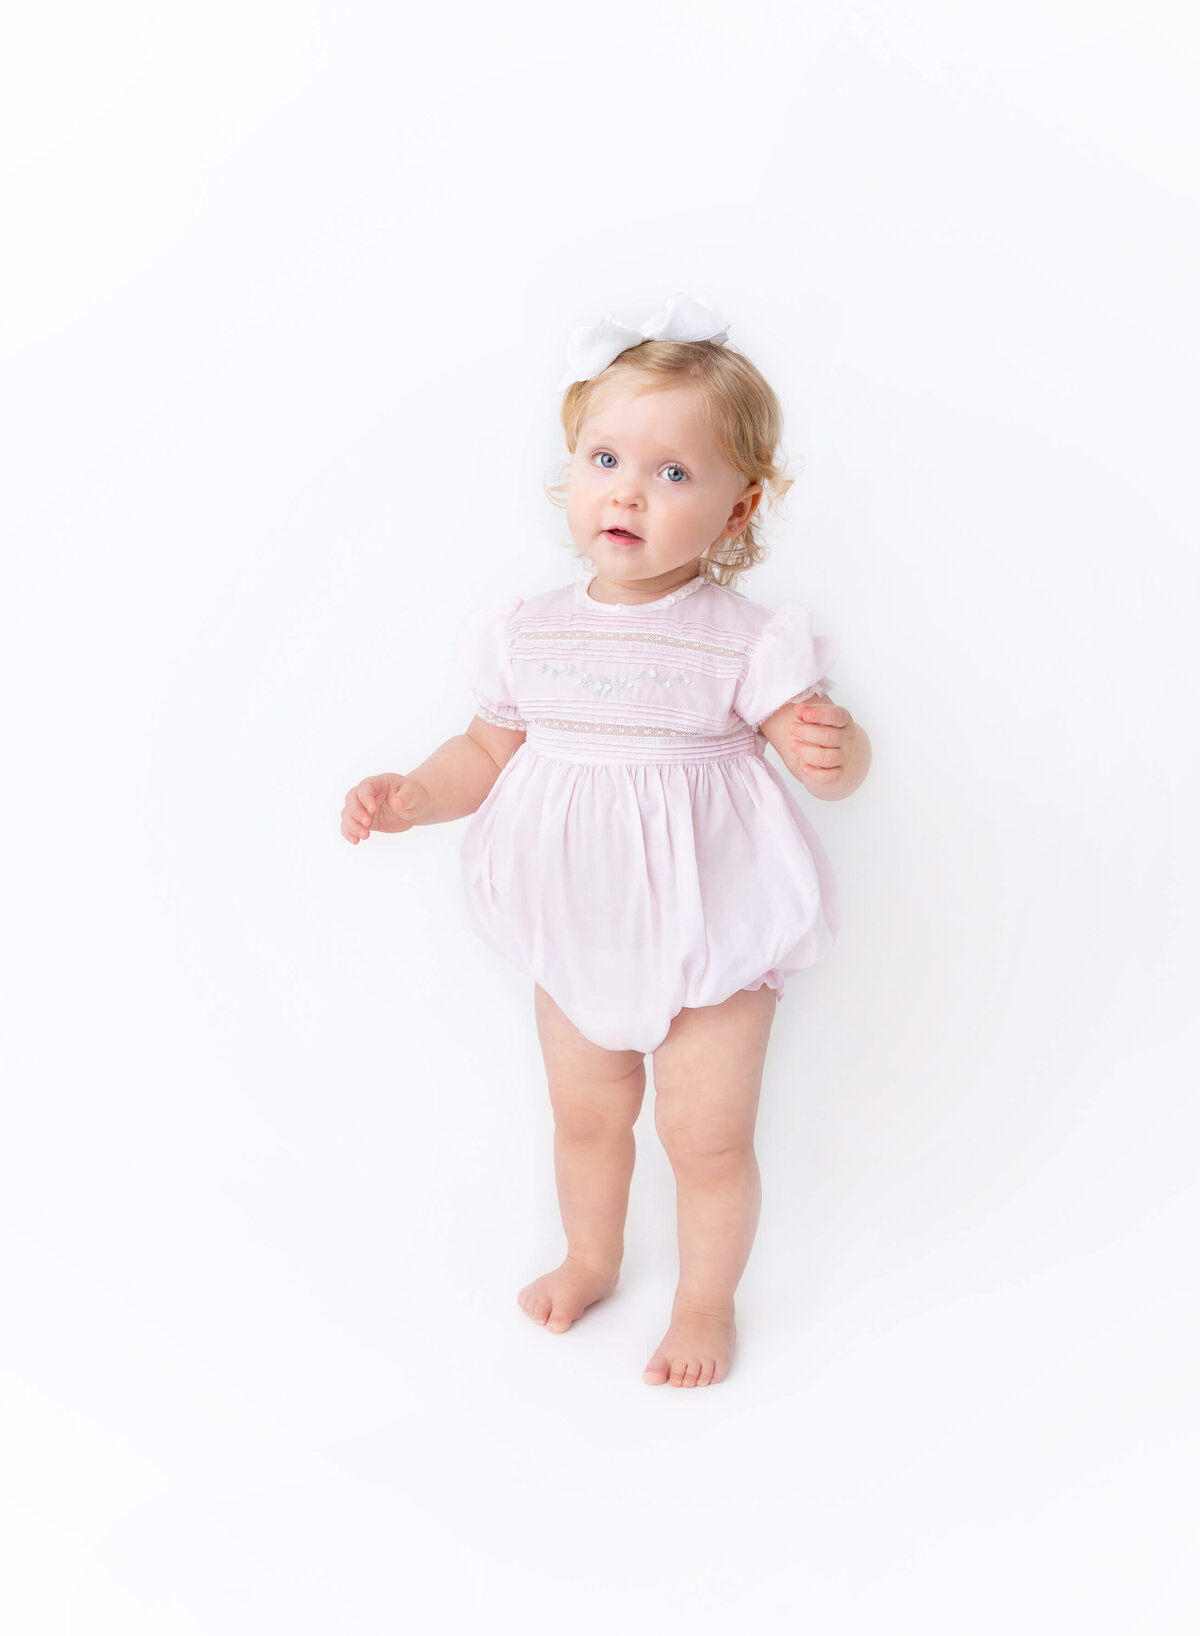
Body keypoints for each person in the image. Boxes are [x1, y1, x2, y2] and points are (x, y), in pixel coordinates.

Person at [340, 292, 872, 1387]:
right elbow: (485, 752)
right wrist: (414, 795)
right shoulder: (529, 630)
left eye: (673, 472)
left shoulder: (744, 640)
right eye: (606, 459)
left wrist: (838, 751)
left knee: (705, 1139)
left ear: (738, 508)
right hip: (577, 926)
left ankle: (705, 1303)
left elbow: (815, 754)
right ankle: (591, 1256)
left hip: (714, 931)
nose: (627, 490)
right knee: (586, 1119)